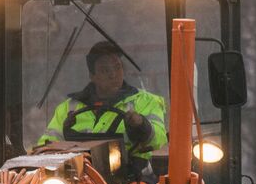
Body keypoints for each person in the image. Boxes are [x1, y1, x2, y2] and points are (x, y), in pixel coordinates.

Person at [38, 41, 168, 162]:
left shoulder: (146, 102)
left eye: (117, 67)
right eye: (105, 70)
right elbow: (46, 147)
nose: (113, 75)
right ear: (92, 76)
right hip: (79, 175)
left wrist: (141, 125)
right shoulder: (68, 108)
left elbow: (159, 141)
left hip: (132, 174)